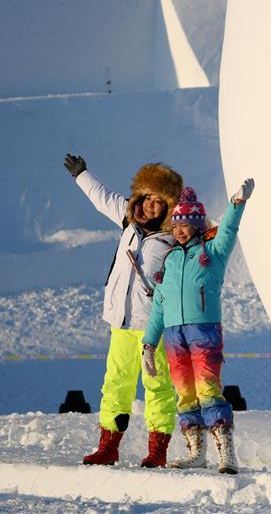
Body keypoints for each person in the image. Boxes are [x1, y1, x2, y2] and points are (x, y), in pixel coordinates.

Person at [63, 154, 182, 467]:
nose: (147, 206)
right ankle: (108, 446)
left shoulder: (175, 239)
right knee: (116, 383)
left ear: (169, 206)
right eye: (144, 198)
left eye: (157, 201)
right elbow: (102, 198)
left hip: (155, 329)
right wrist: (82, 174)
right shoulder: (128, 219)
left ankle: (157, 451)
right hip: (122, 323)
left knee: (157, 387)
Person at [141, 178, 254, 474]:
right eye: (175, 225)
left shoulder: (212, 252)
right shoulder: (170, 259)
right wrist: (149, 344)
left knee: (208, 390)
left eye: (185, 224)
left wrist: (236, 204)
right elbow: (159, 308)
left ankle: (226, 455)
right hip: (174, 334)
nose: (178, 230)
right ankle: (196, 453)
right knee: (185, 393)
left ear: (197, 224)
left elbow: (228, 230)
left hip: (203, 331)